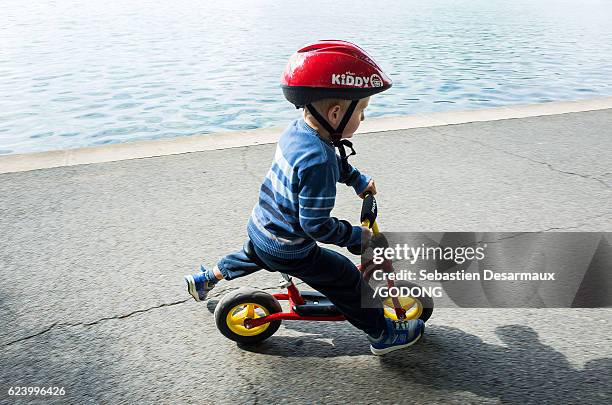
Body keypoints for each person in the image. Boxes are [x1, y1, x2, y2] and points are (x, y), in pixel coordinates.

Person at [185, 40, 424, 355]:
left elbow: (335, 163)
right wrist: (357, 237)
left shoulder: (299, 131)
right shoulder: (318, 160)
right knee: (345, 278)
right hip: (290, 246)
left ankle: (205, 279)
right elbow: (315, 225)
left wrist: (357, 180)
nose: (363, 119)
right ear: (336, 113)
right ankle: (383, 335)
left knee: (252, 255)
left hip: (263, 226)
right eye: (362, 110)